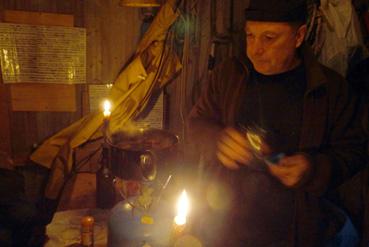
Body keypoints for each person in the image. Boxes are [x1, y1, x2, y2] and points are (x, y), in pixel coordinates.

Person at [188, 0, 368, 246]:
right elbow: (198, 122)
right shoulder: (230, 74)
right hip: (226, 224)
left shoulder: (330, 89)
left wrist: (313, 168)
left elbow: (355, 150)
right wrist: (218, 141)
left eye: (269, 38)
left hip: (295, 231)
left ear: (299, 36)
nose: (255, 50)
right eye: (250, 36)